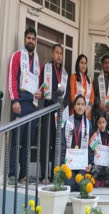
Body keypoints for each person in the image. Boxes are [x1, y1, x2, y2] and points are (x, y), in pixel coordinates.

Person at [7, 27, 42, 184]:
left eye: (33, 39)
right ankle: (12, 174)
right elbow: (11, 79)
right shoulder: (17, 56)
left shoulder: (37, 61)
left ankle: (23, 175)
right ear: (24, 39)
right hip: (20, 103)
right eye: (28, 38)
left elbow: (39, 84)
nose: (31, 41)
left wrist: (40, 93)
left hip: (33, 106)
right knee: (17, 141)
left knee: (28, 143)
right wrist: (14, 100)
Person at [39, 43, 70, 184]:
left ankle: (54, 173)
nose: (59, 55)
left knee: (56, 145)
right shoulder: (46, 68)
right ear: (52, 54)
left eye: (61, 53)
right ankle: (44, 174)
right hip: (48, 110)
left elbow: (68, 93)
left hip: (60, 112)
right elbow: (41, 87)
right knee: (46, 142)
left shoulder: (64, 73)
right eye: (57, 53)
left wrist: (63, 106)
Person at [61, 94, 94, 191]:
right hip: (69, 163)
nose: (80, 107)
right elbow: (62, 144)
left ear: (85, 107)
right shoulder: (67, 122)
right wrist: (62, 163)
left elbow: (90, 146)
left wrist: (90, 163)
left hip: (82, 164)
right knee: (69, 186)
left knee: (80, 185)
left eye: (83, 104)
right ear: (74, 106)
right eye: (78, 104)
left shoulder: (89, 124)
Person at [89, 112, 109, 187]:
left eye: (103, 122)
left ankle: (103, 179)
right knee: (94, 171)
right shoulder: (94, 135)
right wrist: (93, 152)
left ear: (106, 123)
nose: (102, 125)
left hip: (106, 164)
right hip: (97, 164)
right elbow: (90, 150)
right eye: (100, 123)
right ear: (97, 124)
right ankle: (98, 179)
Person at [93, 55, 109, 130]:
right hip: (99, 112)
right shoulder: (97, 79)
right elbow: (93, 95)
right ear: (102, 65)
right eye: (105, 63)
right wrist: (99, 104)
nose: (107, 65)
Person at [70, 54, 94, 121]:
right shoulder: (73, 77)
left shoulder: (89, 80)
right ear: (78, 64)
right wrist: (79, 110)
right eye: (81, 63)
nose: (83, 65)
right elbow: (72, 95)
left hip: (87, 115)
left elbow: (92, 98)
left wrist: (85, 111)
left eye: (85, 63)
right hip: (75, 114)